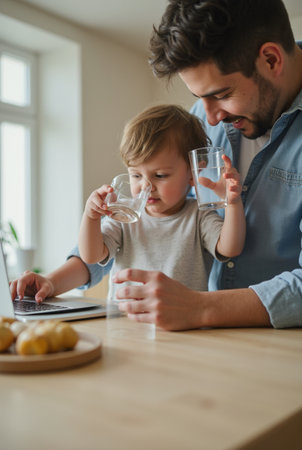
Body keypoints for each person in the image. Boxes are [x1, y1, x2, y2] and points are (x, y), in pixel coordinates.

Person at [11, 0, 302, 330]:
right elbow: (107, 242)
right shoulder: (196, 126)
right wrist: (51, 281)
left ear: (271, 59)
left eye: (221, 94)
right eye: (199, 97)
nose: (209, 118)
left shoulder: (196, 215)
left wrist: (200, 308)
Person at [78, 104, 244, 298]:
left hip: (181, 323)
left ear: (194, 173)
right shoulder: (124, 216)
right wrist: (90, 216)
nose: (146, 186)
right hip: (126, 321)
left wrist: (232, 203)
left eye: (160, 175)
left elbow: (230, 248)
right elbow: (91, 256)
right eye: (136, 175)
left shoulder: (199, 216)